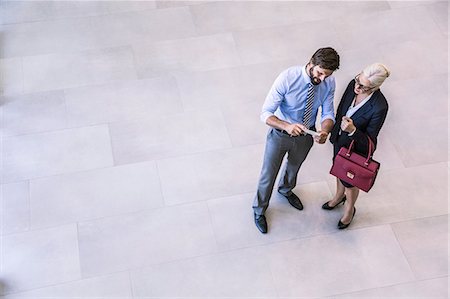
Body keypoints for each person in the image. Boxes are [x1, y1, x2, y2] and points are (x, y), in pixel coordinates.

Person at [253, 47, 340, 234]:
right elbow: (265, 113)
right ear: (311, 62)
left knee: (294, 167)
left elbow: (328, 112)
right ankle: (259, 210)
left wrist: (324, 131)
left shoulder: (329, 81)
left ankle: (285, 190)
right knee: (269, 173)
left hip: (306, 134)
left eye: (327, 75)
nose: (322, 79)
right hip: (280, 134)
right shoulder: (287, 78)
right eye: (320, 73)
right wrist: (286, 126)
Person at [322, 63, 390, 229]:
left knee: (350, 182)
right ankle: (338, 196)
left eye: (363, 87)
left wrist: (353, 131)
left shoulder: (380, 106)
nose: (357, 87)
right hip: (339, 140)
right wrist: (333, 131)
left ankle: (349, 209)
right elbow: (340, 110)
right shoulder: (353, 84)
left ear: (375, 87)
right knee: (338, 170)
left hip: (355, 149)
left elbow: (371, 139)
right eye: (358, 81)